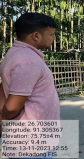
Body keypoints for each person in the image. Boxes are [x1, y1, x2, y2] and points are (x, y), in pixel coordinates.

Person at [0, 13, 60, 159]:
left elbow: (3, 87)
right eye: (51, 34)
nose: (54, 38)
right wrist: (4, 117)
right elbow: (12, 107)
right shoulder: (27, 60)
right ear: (36, 36)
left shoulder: (15, 53)